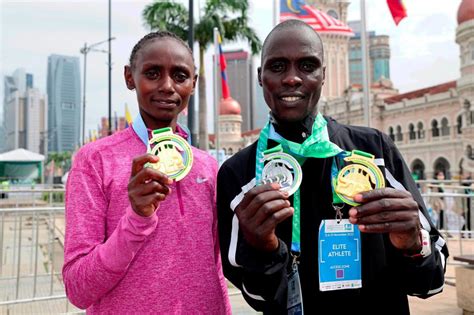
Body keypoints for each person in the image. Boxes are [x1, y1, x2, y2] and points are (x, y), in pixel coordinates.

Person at [217, 20, 448, 314]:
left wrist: (412, 244)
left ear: (323, 75)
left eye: (307, 66)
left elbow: (432, 281)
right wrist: (263, 249)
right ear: (260, 76)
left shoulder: (374, 150)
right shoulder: (239, 175)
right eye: (277, 67)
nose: (291, 79)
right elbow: (257, 298)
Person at [63, 31, 231, 313]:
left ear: (194, 83)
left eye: (180, 76)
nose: (167, 86)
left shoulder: (207, 166)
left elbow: (215, 269)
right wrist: (136, 219)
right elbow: (78, 289)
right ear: (130, 77)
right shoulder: (94, 161)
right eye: (153, 73)